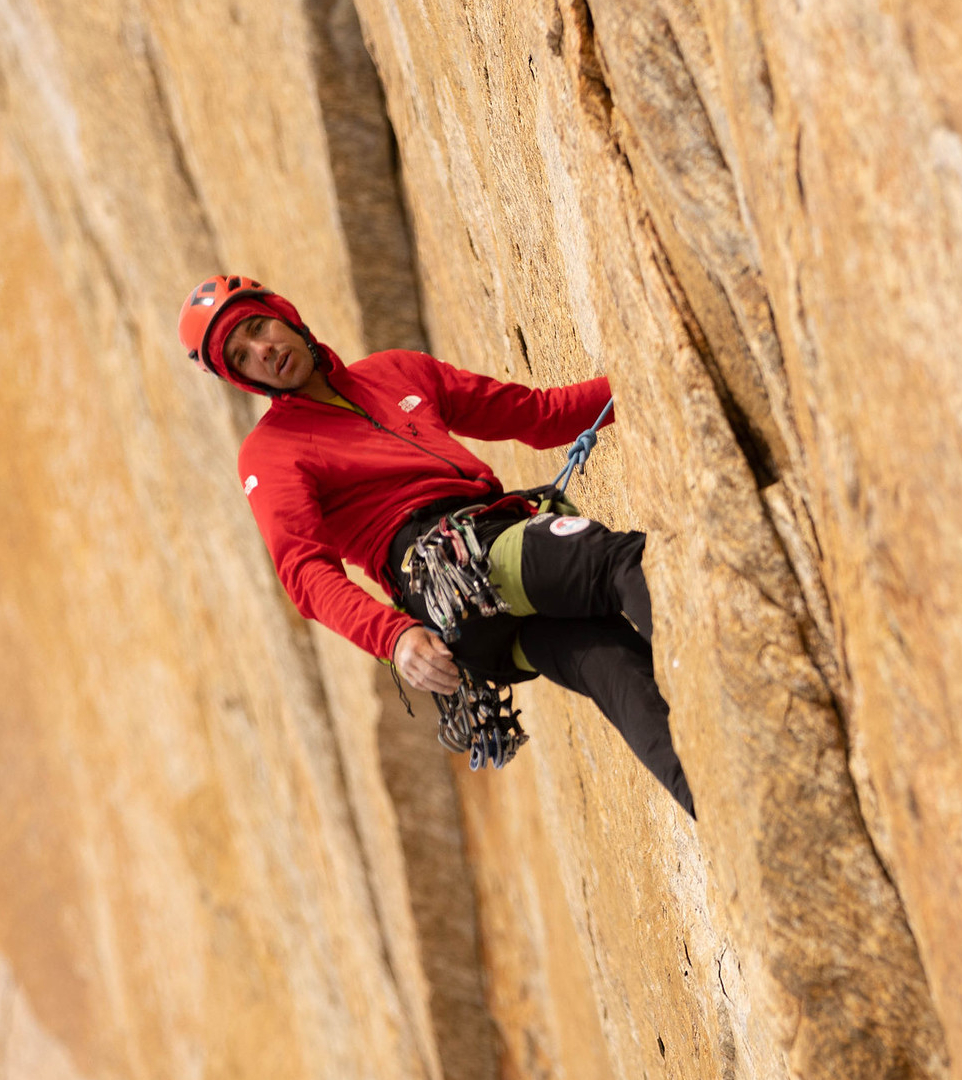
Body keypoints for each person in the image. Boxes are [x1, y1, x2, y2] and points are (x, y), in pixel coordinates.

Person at [178, 276, 694, 815]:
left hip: (482, 585)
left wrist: (643, 377)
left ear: (283, 313)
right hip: (447, 573)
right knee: (611, 561)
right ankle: (713, 651)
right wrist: (394, 636)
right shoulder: (270, 454)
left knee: (610, 664)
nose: (262, 351)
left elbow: (540, 416)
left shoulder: (396, 372)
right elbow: (306, 573)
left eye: (257, 327)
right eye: (241, 358)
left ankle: (718, 801)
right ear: (244, 380)